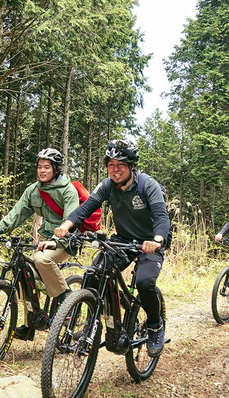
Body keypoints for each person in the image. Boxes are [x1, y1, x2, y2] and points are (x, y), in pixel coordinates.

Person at [54, 139, 170, 357]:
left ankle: (155, 326)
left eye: (121, 165)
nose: (115, 170)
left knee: (145, 283)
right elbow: (85, 209)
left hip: (150, 243)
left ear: (132, 166)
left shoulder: (148, 185)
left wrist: (157, 239)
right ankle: (92, 323)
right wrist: (66, 226)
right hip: (123, 241)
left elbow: (162, 217)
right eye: (111, 165)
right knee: (94, 273)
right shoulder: (107, 186)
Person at [0, 148, 79, 340]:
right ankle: (31, 323)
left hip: (65, 242)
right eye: (39, 167)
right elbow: (17, 213)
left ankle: (65, 295)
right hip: (45, 239)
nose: (42, 171)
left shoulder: (68, 190)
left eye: (47, 167)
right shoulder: (33, 191)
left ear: (55, 169)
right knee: (24, 272)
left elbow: (71, 219)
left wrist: (55, 241)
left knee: (41, 259)